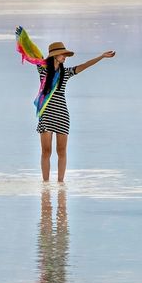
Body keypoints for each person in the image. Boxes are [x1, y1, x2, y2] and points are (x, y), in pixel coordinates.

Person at [16, 27, 115, 183]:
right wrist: (21, 36)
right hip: (47, 114)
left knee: (61, 151)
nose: (65, 57)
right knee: (46, 151)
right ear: (55, 56)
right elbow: (31, 51)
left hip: (62, 114)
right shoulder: (43, 70)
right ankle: (46, 184)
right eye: (63, 54)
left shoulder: (66, 73)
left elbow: (85, 65)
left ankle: (61, 183)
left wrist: (101, 57)